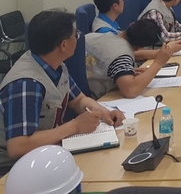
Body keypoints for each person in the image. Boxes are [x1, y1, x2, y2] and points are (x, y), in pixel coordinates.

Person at [0, 10, 124, 174]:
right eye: (75, 36)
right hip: (14, 169)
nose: (77, 39)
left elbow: (79, 100)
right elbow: (18, 146)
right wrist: (74, 126)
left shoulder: (55, 65)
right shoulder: (26, 84)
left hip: (45, 153)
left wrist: (103, 112)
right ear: (64, 45)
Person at [85, 19, 181, 99]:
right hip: (92, 98)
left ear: (131, 24)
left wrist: (126, 72)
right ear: (139, 48)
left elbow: (108, 60)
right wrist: (158, 63)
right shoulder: (122, 55)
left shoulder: (102, 36)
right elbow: (130, 90)